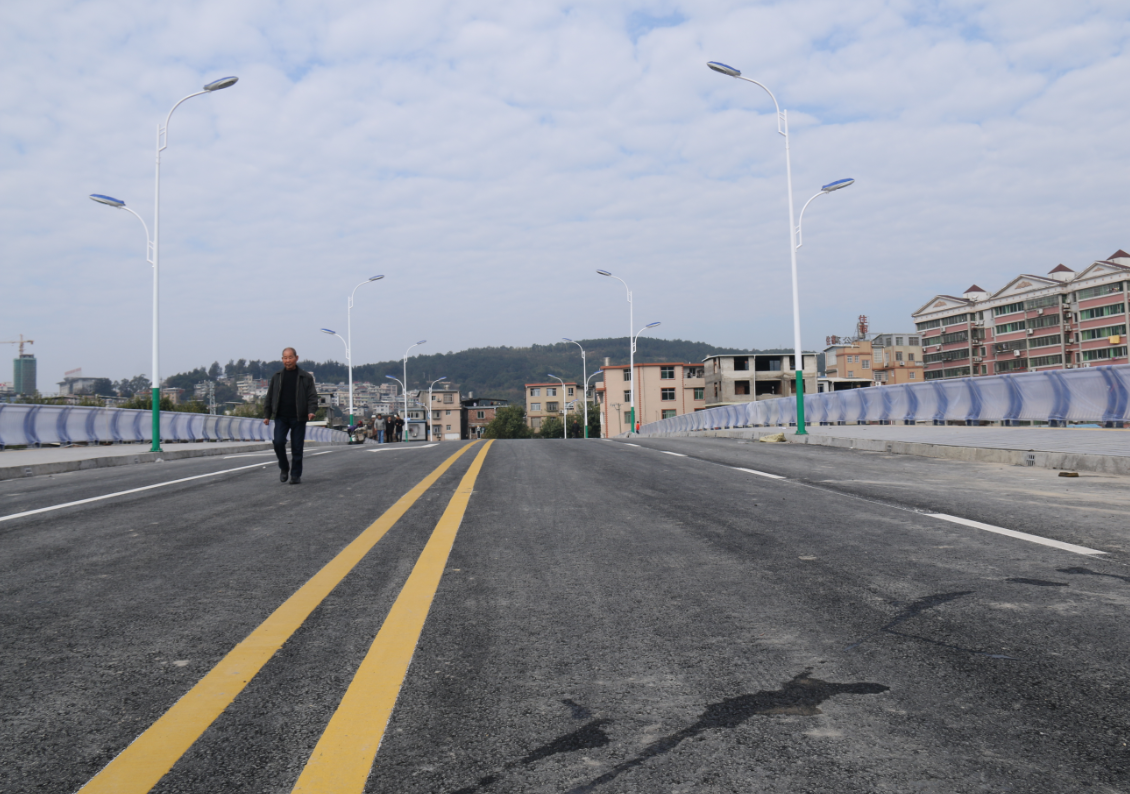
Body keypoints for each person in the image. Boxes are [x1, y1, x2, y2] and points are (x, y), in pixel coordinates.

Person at [263, 347, 317, 484]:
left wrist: (311, 411)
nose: (288, 361)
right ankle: (284, 467)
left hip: (299, 417)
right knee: (278, 442)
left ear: (296, 358)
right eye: (285, 358)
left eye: (290, 357)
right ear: (282, 359)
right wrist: (267, 415)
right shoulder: (277, 376)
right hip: (281, 416)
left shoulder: (305, 377)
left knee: (297, 447)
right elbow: (269, 397)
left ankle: (295, 475)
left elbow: (312, 396)